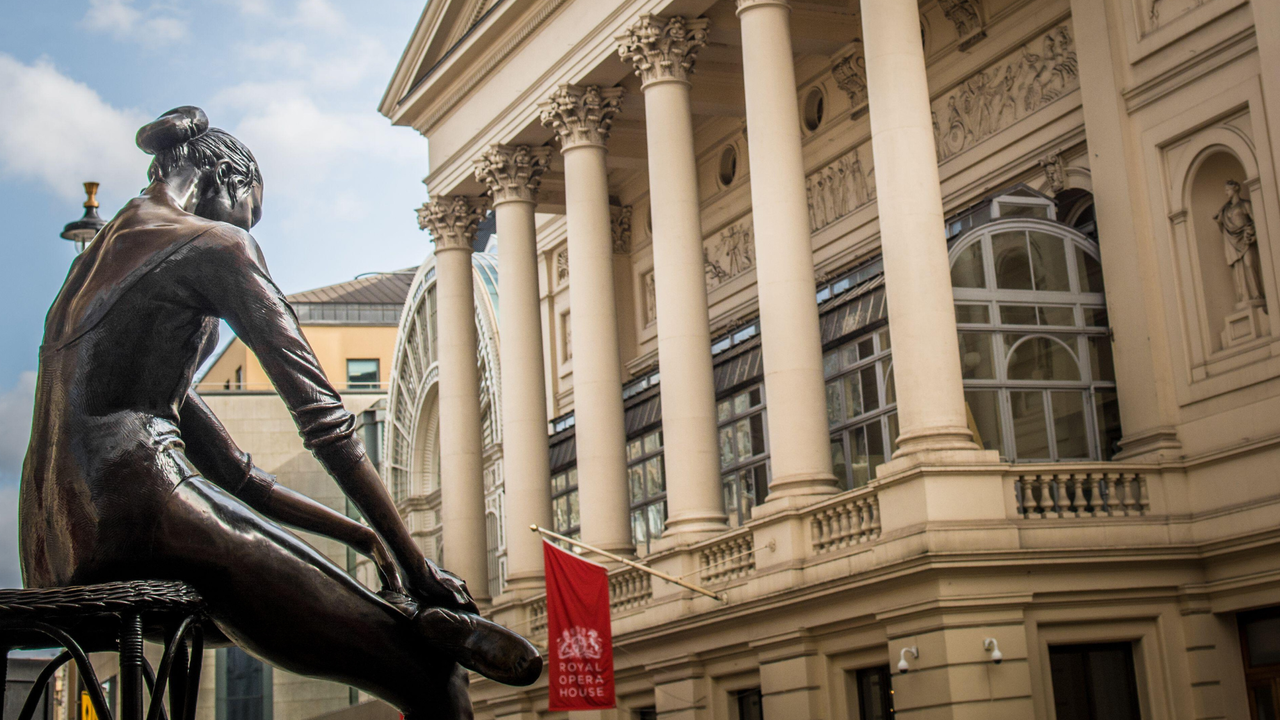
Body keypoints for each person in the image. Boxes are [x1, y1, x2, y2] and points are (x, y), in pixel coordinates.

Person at [19, 106, 540, 719]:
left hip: (54, 549)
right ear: (230, 184)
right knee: (432, 679)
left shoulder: (92, 268)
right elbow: (326, 424)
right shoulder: (215, 245)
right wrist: (416, 564)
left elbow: (238, 477)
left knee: (315, 611)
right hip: (142, 518)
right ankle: (417, 624)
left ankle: (403, 616)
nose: (250, 225)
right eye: (253, 210)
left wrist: (363, 536)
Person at [1215, 179, 1265, 306]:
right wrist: (1220, 222)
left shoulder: (1245, 204)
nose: (1226, 193)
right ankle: (1243, 297)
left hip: (1245, 237)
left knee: (1249, 264)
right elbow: (1224, 229)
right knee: (1238, 269)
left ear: (1235, 188)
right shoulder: (1225, 210)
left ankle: (1256, 294)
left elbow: (1257, 221)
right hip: (1232, 241)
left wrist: (1252, 233)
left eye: (1227, 190)